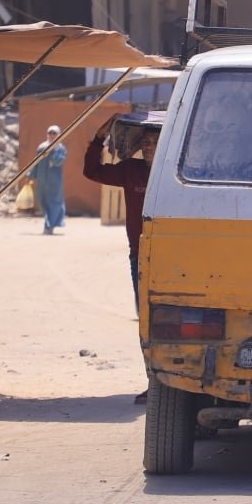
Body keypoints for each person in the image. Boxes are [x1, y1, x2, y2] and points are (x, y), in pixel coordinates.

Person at [83, 115, 159, 404]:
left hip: (174, 257)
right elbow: (92, 172)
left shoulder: (177, 173)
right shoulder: (131, 170)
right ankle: (154, 382)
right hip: (139, 257)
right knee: (146, 321)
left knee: (168, 321)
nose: (150, 147)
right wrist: (99, 138)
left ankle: (169, 385)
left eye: (156, 142)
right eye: (146, 142)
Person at [30, 125, 67, 235]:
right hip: (42, 180)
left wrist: (52, 150)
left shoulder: (60, 149)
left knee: (54, 202)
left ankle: (49, 226)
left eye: (54, 133)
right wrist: (31, 176)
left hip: (54, 182)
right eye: (50, 133)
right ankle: (48, 223)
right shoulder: (42, 147)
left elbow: (58, 162)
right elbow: (36, 163)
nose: (52, 135)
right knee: (42, 201)